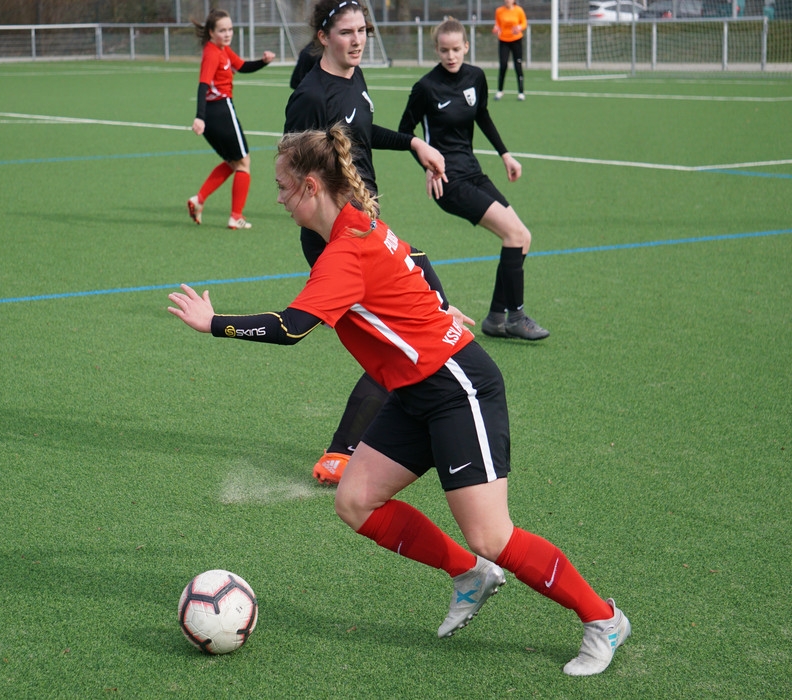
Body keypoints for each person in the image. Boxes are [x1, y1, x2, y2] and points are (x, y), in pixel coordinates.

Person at [167, 125, 631, 677]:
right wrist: (436, 303)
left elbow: (291, 328)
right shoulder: (353, 223)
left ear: (311, 186)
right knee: (355, 502)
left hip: (457, 387)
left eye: (283, 187)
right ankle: (470, 574)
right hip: (414, 392)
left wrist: (214, 323)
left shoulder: (344, 251)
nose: (279, 198)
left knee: (491, 535)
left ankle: (603, 619)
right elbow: (416, 255)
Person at [285, 0, 447, 485]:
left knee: (407, 329)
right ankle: (343, 452)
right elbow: (295, 167)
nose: (357, 41)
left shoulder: (354, 77)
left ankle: (357, 444)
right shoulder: (310, 95)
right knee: (396, 337)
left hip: (365, 223)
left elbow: (359, 132)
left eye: (362, 31)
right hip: (340, 237)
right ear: (323, 37)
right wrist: (335, 229)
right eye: (346, 32)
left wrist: (414, 143)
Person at [399, 17, 548, 340]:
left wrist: (505, 155)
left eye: (456, 49)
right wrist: (428, 166)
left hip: (473, 172)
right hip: (448, 181)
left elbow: (482, 116)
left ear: (466, 46)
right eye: (444, 50)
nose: (450, 56)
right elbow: (405, 132)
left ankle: (495, 317)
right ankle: (516, 316)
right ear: (436, 50)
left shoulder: (476, 77)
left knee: (522, 237)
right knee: (514, 235)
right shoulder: (425, 88)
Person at [188, 9, 275, 230]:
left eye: (230, 29)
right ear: (211, 32)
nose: (227, 34)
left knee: (233, 162)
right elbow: (202, 85)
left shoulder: (223, 49)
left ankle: (198, 200)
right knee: (244, 162)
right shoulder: (212, 53)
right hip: (220, 111)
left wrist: (263, 61)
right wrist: (199, 117)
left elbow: (242, 66)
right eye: (222, 30)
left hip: (215, 113)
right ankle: (236, 216)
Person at [492, 0, 527, 101]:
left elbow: (524, 23)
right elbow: (497, 24)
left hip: (516, 40)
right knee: (503, 65)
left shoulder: (519, 10)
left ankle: (521, 92)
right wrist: (496, 28)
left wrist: (519, 27)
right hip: (503, 41)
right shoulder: (499, 11)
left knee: (518, 65)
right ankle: (500, 91)